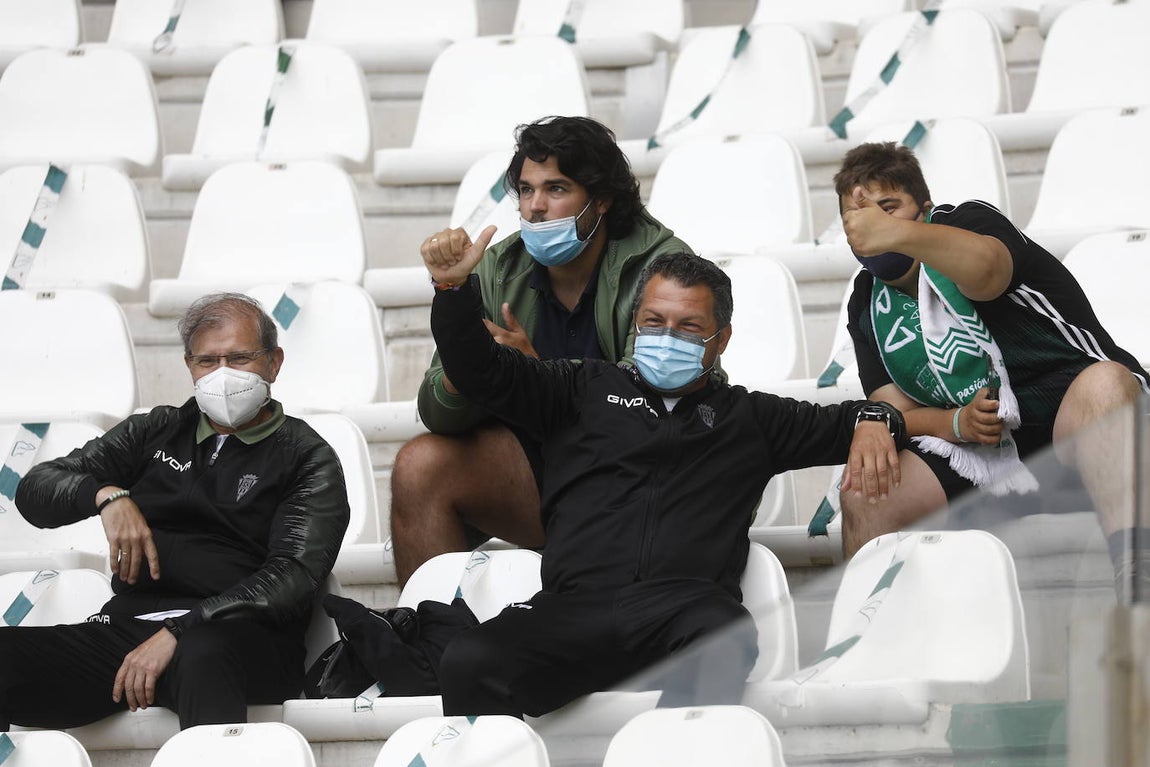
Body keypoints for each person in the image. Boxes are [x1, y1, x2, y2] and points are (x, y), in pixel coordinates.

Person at [423, 239, 907, 717]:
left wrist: (880, 418)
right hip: (572, 609)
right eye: (654, 322)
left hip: (682, 613)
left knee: (724, 633)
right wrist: (452, 288)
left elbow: (856, 419)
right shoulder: (579, 388)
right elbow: (478, 369)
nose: (667, 336)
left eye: (688, 326)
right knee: (468, 659)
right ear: (636, 323)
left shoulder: (750, 417)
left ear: (721, 339)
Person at [0, 293, 350, 730]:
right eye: (207, 361)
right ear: (189, 366)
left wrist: (183, 629)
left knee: (202, 653)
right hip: (129, 631)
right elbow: (35, 490)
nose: (223, 374)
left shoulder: (306, 456)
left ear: (274, 363)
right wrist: (106, 496)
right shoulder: (155, 430)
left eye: (239, 358)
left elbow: (293, 577)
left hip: (240, 640)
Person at [390, 115, 693, 585]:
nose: (534, 207)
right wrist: (467, 363)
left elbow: (653, 400)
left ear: (603, 200)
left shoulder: (662, 265)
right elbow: (437, 412)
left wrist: (536, 375)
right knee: (420, 466)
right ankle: (430, 642)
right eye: (527, 191)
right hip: (548, 466)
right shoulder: (496, 266)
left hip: (644, 469)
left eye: (556, 189)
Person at [835, 142, 1150, 577]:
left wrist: (897, 234)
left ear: (924, 208)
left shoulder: (967, 222)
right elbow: (900, 408)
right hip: (982, 449)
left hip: (1072, 421)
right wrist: (952, 423)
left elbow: (988, 275)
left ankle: (1140, 589)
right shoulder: (866, 299)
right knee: (869, 489)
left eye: (889, 207)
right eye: (858, 217)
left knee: (1107, 384)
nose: (873, 225)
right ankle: (868, 630)